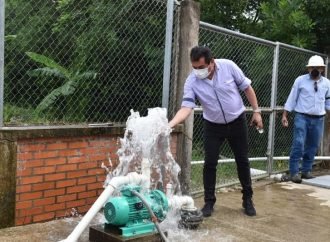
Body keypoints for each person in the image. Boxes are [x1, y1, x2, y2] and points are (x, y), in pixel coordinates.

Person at [169, 46, 263, 217]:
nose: (198, 71)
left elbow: (247, 88)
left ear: (211, 62)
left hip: (237, 121)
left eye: (201, 67)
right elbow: (186, 107)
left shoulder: (228, 66)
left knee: (242, 161)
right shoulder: (191, 81)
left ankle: (248, 199)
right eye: (194, 67)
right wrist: (171, 124)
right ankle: (209, 202)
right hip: (212, 125)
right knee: (210, 163)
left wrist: (256, 111)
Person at [282, 55, 330, 183]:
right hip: (302, 117)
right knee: (298, 144)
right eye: (312, 67)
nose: (315, 70)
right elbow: (292, 97)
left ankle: (306, 171)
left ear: (322, 69)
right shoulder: (300, 81)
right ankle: (294, 172)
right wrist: (285, 114)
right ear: (308, 69)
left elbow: (328, 101)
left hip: (319, 118)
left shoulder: (326, 83)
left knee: (313, 145)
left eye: (317, 68)